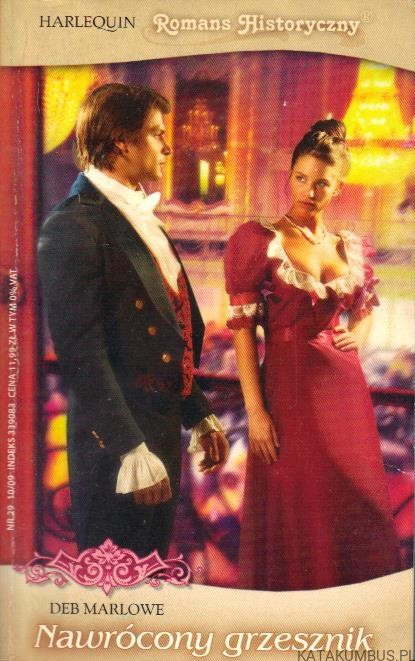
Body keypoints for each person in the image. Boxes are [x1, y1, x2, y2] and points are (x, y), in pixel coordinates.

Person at [38, 83, 229, 558]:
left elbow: (170, 330)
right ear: (122, 141)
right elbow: (81, 356)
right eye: (156, 133)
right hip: (116, 451)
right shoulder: (73, 225)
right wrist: (129, 448)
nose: (168, 146)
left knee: (149, 582)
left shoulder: (141, 217)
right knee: (114, 589)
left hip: (159, 433)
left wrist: (197, 411)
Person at [224, 119, 400, 590]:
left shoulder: (347, 246)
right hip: (289, 390)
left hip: (344, 394)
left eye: (322, 182)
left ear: (338, 187)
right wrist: (256, 411)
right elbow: (243, 331)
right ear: (289, 177)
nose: (309, 190)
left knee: (352, 502)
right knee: (299, 503)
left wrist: (356, 336)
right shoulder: (259, 240)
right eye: (300, 178)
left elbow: (364, 306)